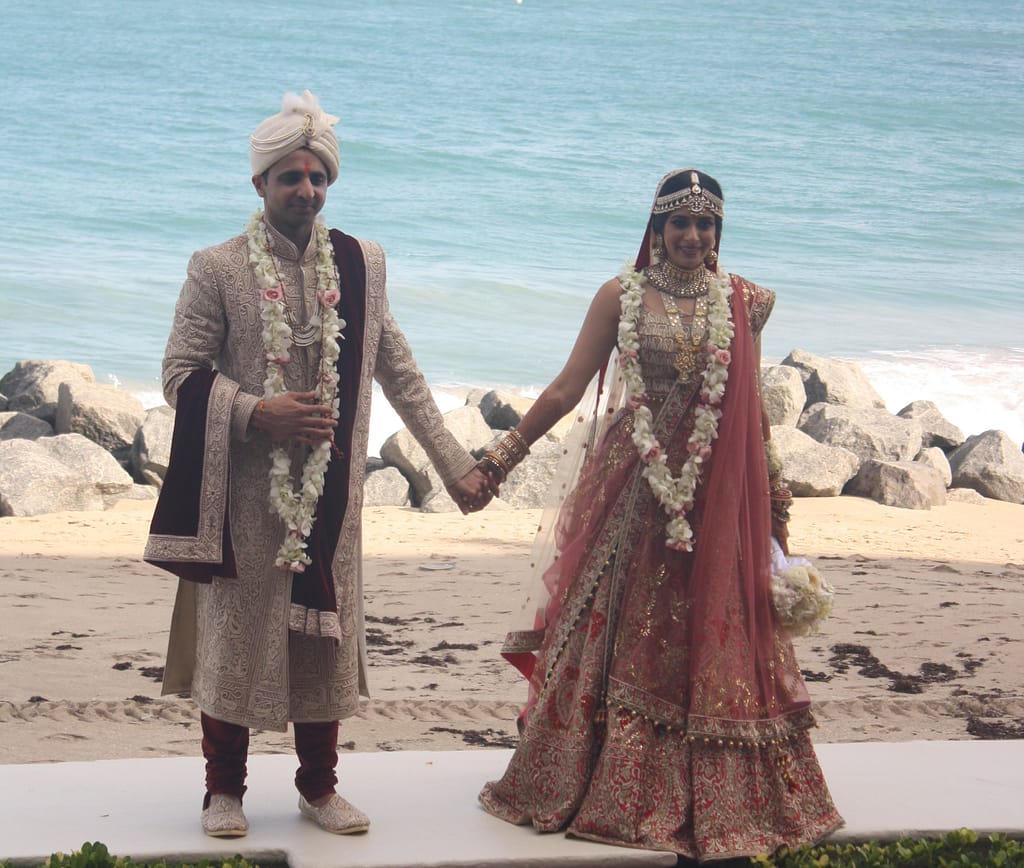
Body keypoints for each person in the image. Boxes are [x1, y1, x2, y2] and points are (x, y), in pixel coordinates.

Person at [144, 90, 492, 839]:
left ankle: (319, 788)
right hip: (242, 494)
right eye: (290, 177)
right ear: (260, 185)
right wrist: (254, 411)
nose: (306, 190)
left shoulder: (360, 264)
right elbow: (179, 373)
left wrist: (455, 464)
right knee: (236, 640)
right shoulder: (218, 268)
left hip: (333, 494)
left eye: (318, 178)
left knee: (324, 641)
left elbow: (399, 369)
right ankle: (223, 792)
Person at [476, 169, 843, 861]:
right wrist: (499, 460)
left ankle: (718, 792)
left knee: (706, 631)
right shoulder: (621, 296)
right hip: (632, 487)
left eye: (705, 224)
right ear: (655, 228)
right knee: (614, 621)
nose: (692, 236)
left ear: (719, 232)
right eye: (679, 222)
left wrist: (776, 504)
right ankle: (592, 778)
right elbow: (565, 388)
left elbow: (753, 408)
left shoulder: (745, 302)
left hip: (716, 491)